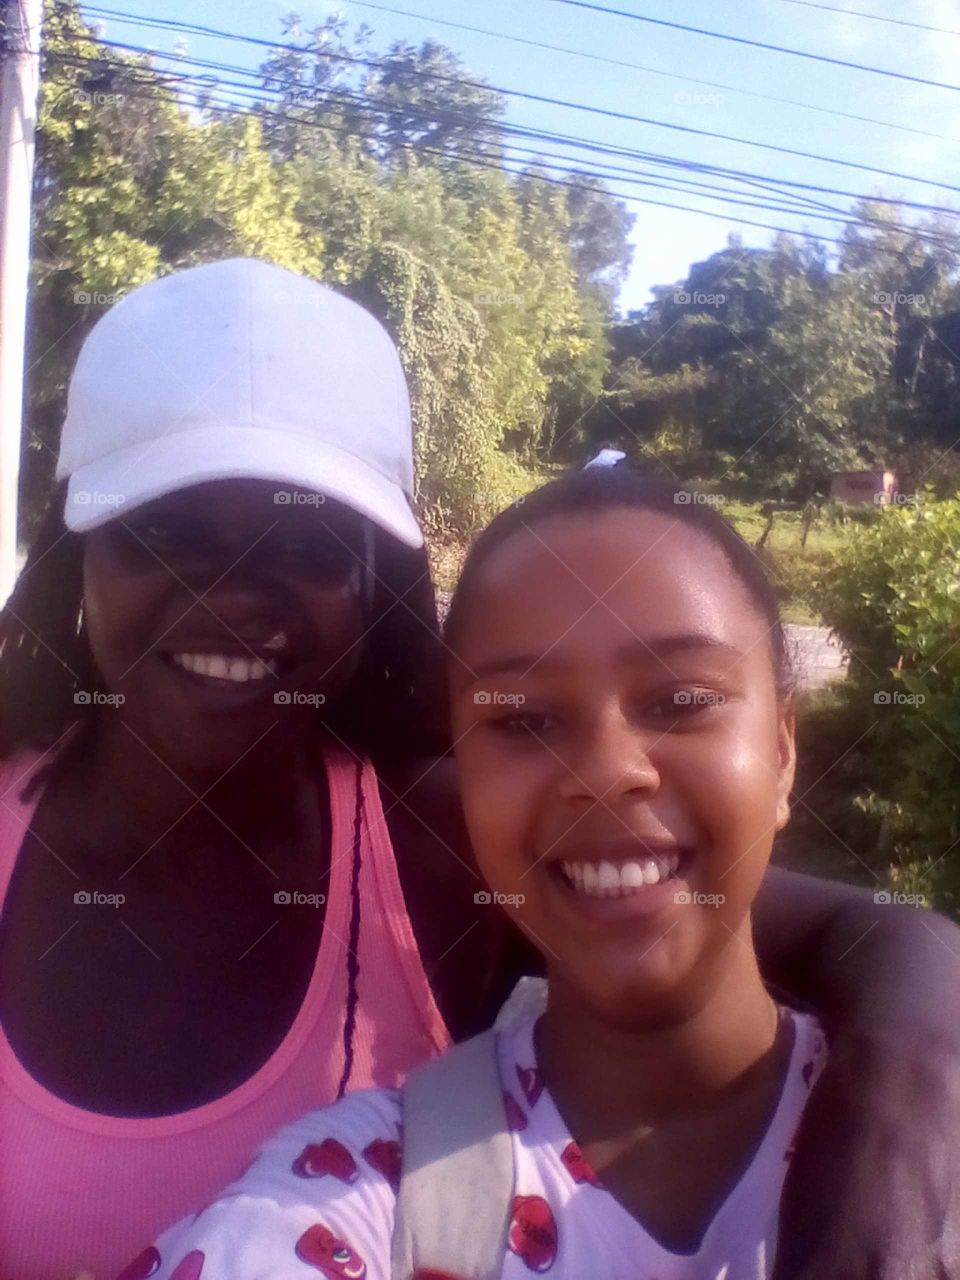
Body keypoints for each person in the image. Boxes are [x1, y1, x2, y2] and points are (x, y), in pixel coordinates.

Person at [1, 263, 959, 1280]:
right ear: (76, 554)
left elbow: (873, 938)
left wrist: (891, 1141)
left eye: (307, 541)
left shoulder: (444, 840)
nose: (234, 595)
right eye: (170, 529)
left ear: (375, 581)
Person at [128, 463, 960, 1277]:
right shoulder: (350, 1197)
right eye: (522, 719)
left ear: (781, 752)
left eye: (679, 702)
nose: (604, 771)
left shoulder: (932, 1149)